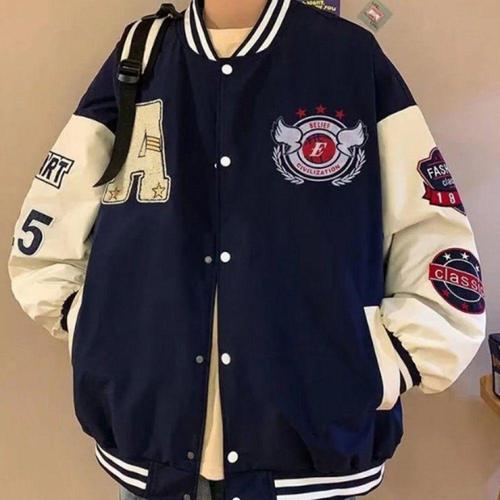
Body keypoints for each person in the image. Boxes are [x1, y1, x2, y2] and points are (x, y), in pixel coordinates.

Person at [8, 0, 486, 499]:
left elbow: (433, 229)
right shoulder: (142, 55)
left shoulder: (347, 57)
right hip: (150, 441)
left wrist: (388, 362)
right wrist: (98, 329)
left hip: (311, 446)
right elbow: (49, 227)